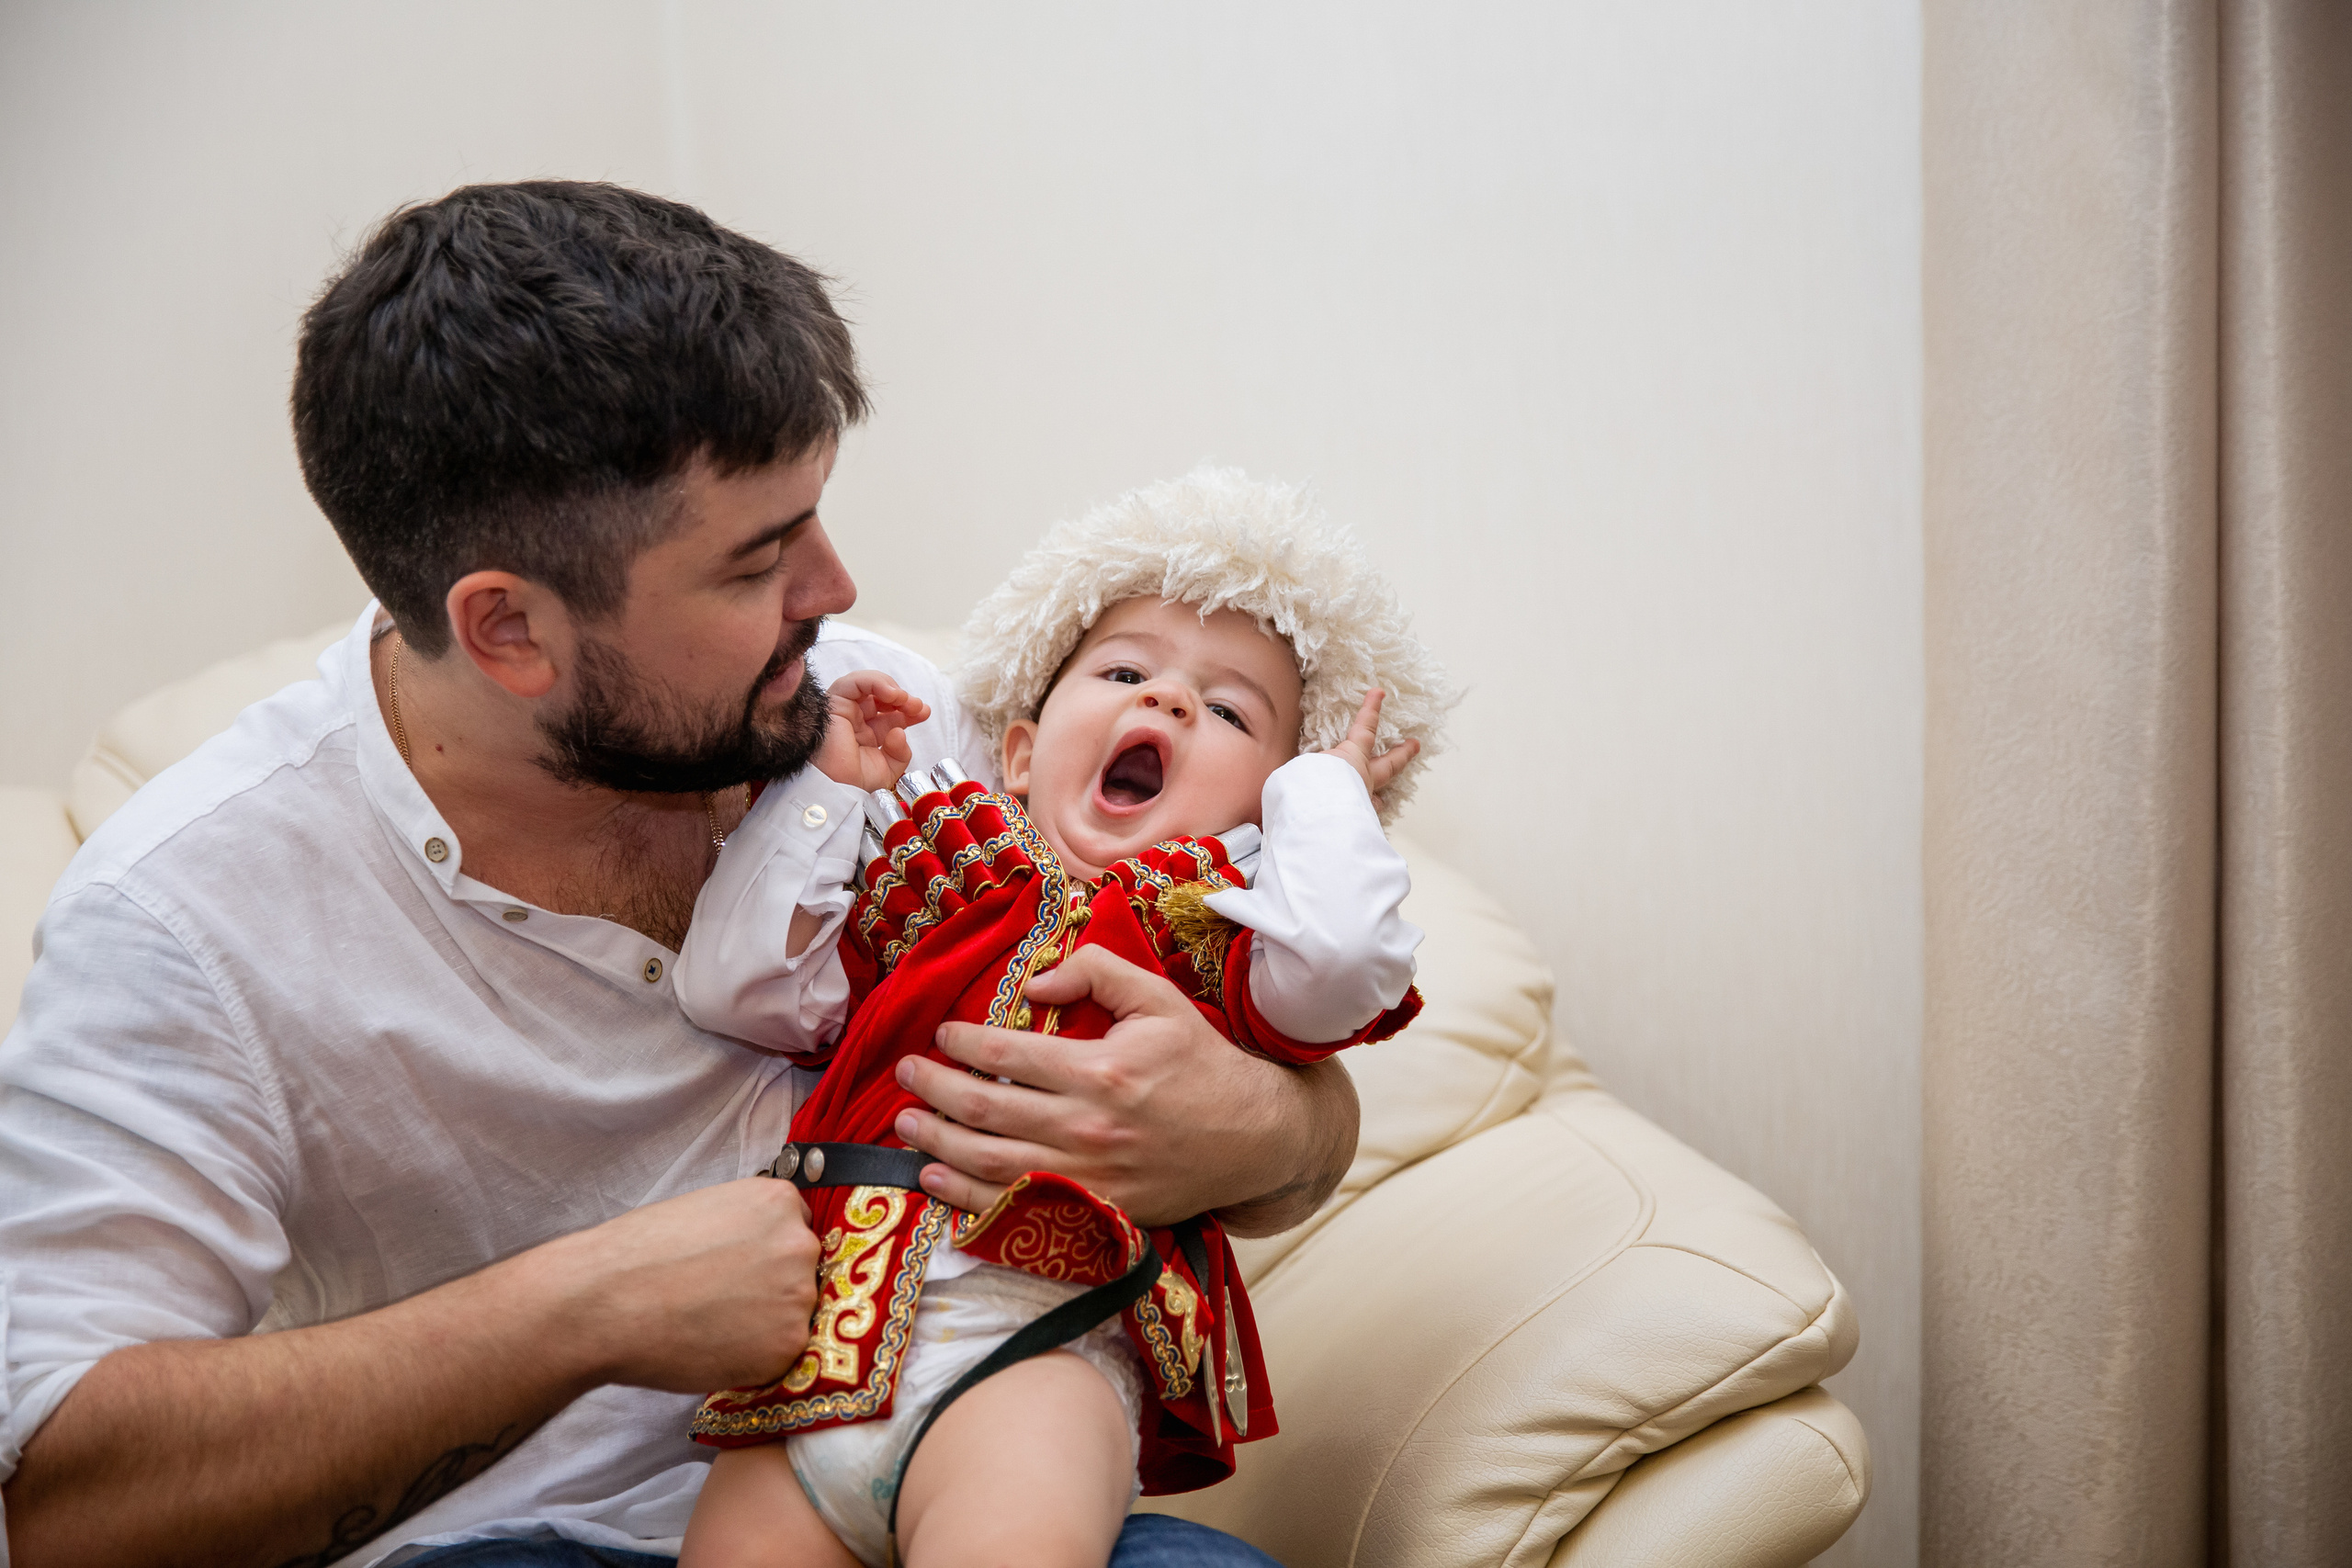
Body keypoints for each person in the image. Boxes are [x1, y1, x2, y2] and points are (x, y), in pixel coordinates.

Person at [0, 183, 1361, 1568]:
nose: (834, 587)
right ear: (510, 629)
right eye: (761, 558)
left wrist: (1273, 1130)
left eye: (814, 520)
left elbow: (1259, 1023)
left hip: (947, 1464)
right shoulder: (184, 915)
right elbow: (57, 1494)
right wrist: (579, 1307)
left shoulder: (897, 722)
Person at [669, 470, 1454, 1568]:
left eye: (1230, 713)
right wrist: (826, 791)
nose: (1171, 703)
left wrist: (1324, 798)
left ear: (1266, 819)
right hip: (818, 1344)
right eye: (1127, 671)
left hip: (1033, 1357)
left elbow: (1343, 968)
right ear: (1026, 752)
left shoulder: (1224, 943)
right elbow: (736, 987)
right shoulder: (938, 867)